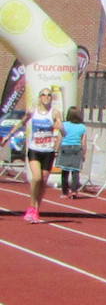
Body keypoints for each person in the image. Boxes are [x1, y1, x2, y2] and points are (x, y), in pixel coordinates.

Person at [1, 86, 63, 222]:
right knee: (36, 178)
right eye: (44, 95)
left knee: (43, 180)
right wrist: (8, 136)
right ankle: (31, 206)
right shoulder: (33, 111)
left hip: (48, 151)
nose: (46, 97)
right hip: (35, 149)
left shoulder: (55, 113)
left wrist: (58, 141)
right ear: (40, 97)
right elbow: (22, 122)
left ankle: (36, 209)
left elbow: (62, 133)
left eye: (49, 95)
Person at [57, 106, 88, 199]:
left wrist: (56, 150)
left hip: (65, 147)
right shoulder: (83, 127)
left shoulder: (64, 125)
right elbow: (84, 142)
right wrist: (84, 153)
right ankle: (74, 191)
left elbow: (60, 138)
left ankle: (64, 192)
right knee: (75, 171)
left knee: (65, 171)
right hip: (76, 148)